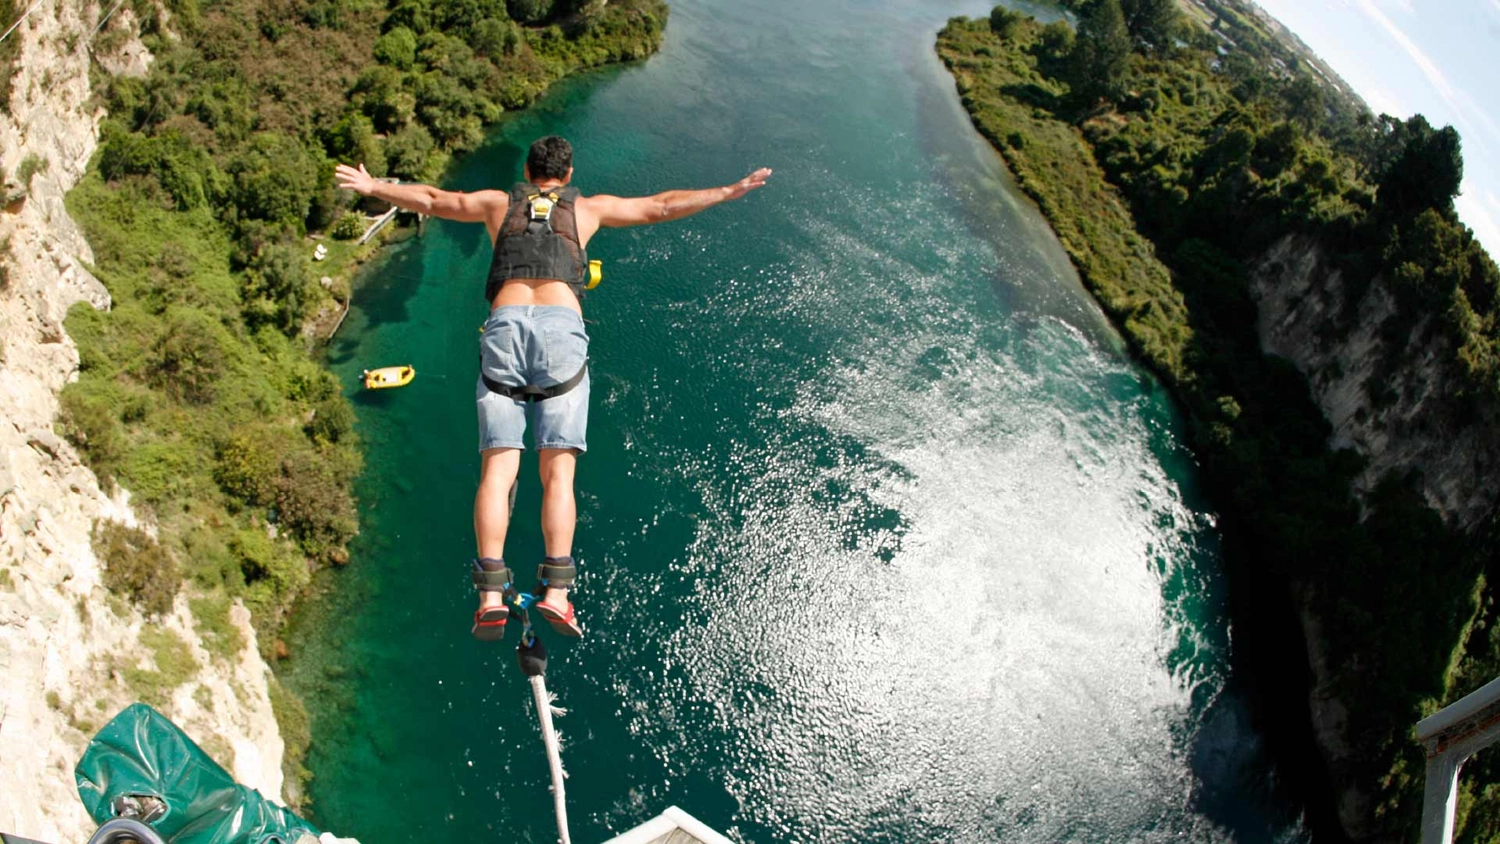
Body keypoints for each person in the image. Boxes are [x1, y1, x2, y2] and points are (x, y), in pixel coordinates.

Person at [335, 136, 771, 640]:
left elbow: (434, 199)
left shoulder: (498, 204)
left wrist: (374, 186)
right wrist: (727, 190)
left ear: (526, 170)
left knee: (499, 469)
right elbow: (660, 207)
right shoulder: (587, 209)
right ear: (568, 174)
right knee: (557, 472)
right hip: (561, 332)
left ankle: (490, 597)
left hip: (504, 326)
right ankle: (558, 595)